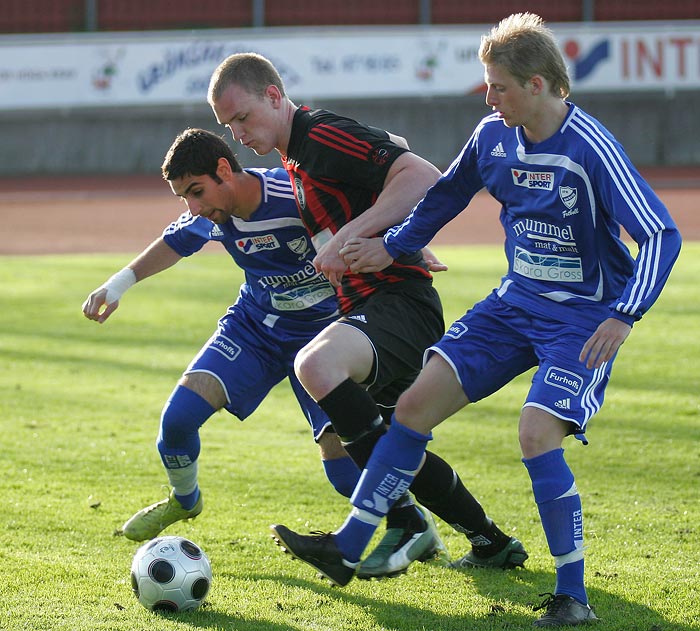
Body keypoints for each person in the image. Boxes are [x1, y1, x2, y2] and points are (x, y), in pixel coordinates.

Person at [276, 12, 683, 626]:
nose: (488, 97)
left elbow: (660, 234)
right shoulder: (493, 136)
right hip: (514, 304)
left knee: (535, 433)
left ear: (539, 84)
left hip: (582, 319)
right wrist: (395, 244)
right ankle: (349, 547)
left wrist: (625, 315)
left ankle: (572, 596)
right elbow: (444, 195)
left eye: (498, 86)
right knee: (413, 407)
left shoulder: (588, 146)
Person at [207, 52, 527, 584]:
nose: (239, 133)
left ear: (272, 95)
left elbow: (423, 175)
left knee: (314, 367)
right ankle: (490, 541)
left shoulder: (319, 136)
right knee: (388, 441)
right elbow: (382, 182)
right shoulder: (297, 157)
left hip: (398, 305)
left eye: (242, 117)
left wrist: (368, 236)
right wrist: (395, 239)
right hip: (377, 304)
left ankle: (403, 525)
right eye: (228, 126)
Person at [82, 127, 362, 541]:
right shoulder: (210, 215)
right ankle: (184, 499)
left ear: (224, 170)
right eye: (184, 198)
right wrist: (118, 284)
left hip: (323, 339)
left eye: (197, 192)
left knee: (343, 474)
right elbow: (173, 242)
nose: (193, 208)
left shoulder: (295, 196)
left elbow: (361, 224)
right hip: (254, 329)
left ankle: (413, 524)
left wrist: (405, 248)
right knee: (176, 424)